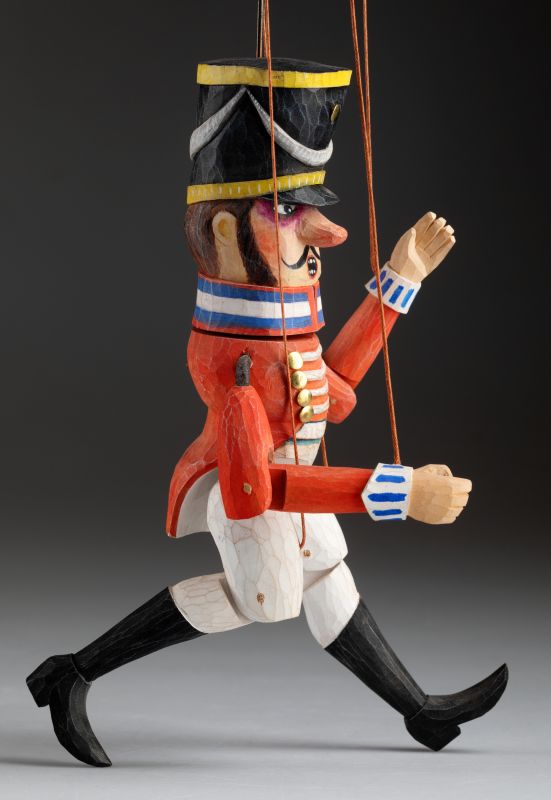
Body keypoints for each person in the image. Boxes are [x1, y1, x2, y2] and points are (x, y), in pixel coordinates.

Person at [27, 57, 507, 767]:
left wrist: (402, 275)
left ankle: (420, 711)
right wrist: (399, 493)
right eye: (286, 211)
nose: (323, 234)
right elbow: (261, 488)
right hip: (247, 488)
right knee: (266, 598)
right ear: (226, 233)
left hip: (294, 479)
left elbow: (333, 382)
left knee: (327, 578)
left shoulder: (283, 334)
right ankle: (73, 672)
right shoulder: (233, 364)